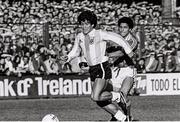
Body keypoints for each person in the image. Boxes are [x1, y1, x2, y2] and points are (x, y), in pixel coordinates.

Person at [61, 10, 134, 121]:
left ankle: (119, 96)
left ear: (92, 24)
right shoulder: (79, 36)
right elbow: (75, 51)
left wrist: (128, 50)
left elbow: (117, 38)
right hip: (92, 70)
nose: (84, 26)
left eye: (86, 24)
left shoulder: (99, 33)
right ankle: (122, 118)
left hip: (101, 67)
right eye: (82, 23)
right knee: (98, 100)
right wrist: (68, 57)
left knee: (95, 96)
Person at [106, 17, 138, 121]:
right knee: (105, 95)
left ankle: (127, 117)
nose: (122, 29)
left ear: (130, 29)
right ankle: (118, 115)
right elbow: (107, 48)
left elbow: (121, 53)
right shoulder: (116, 39)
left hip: (128, 70)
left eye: (125, 27)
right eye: (120, 27)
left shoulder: (133, 40)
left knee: (123, 94)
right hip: (115, 70)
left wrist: (106, 54)